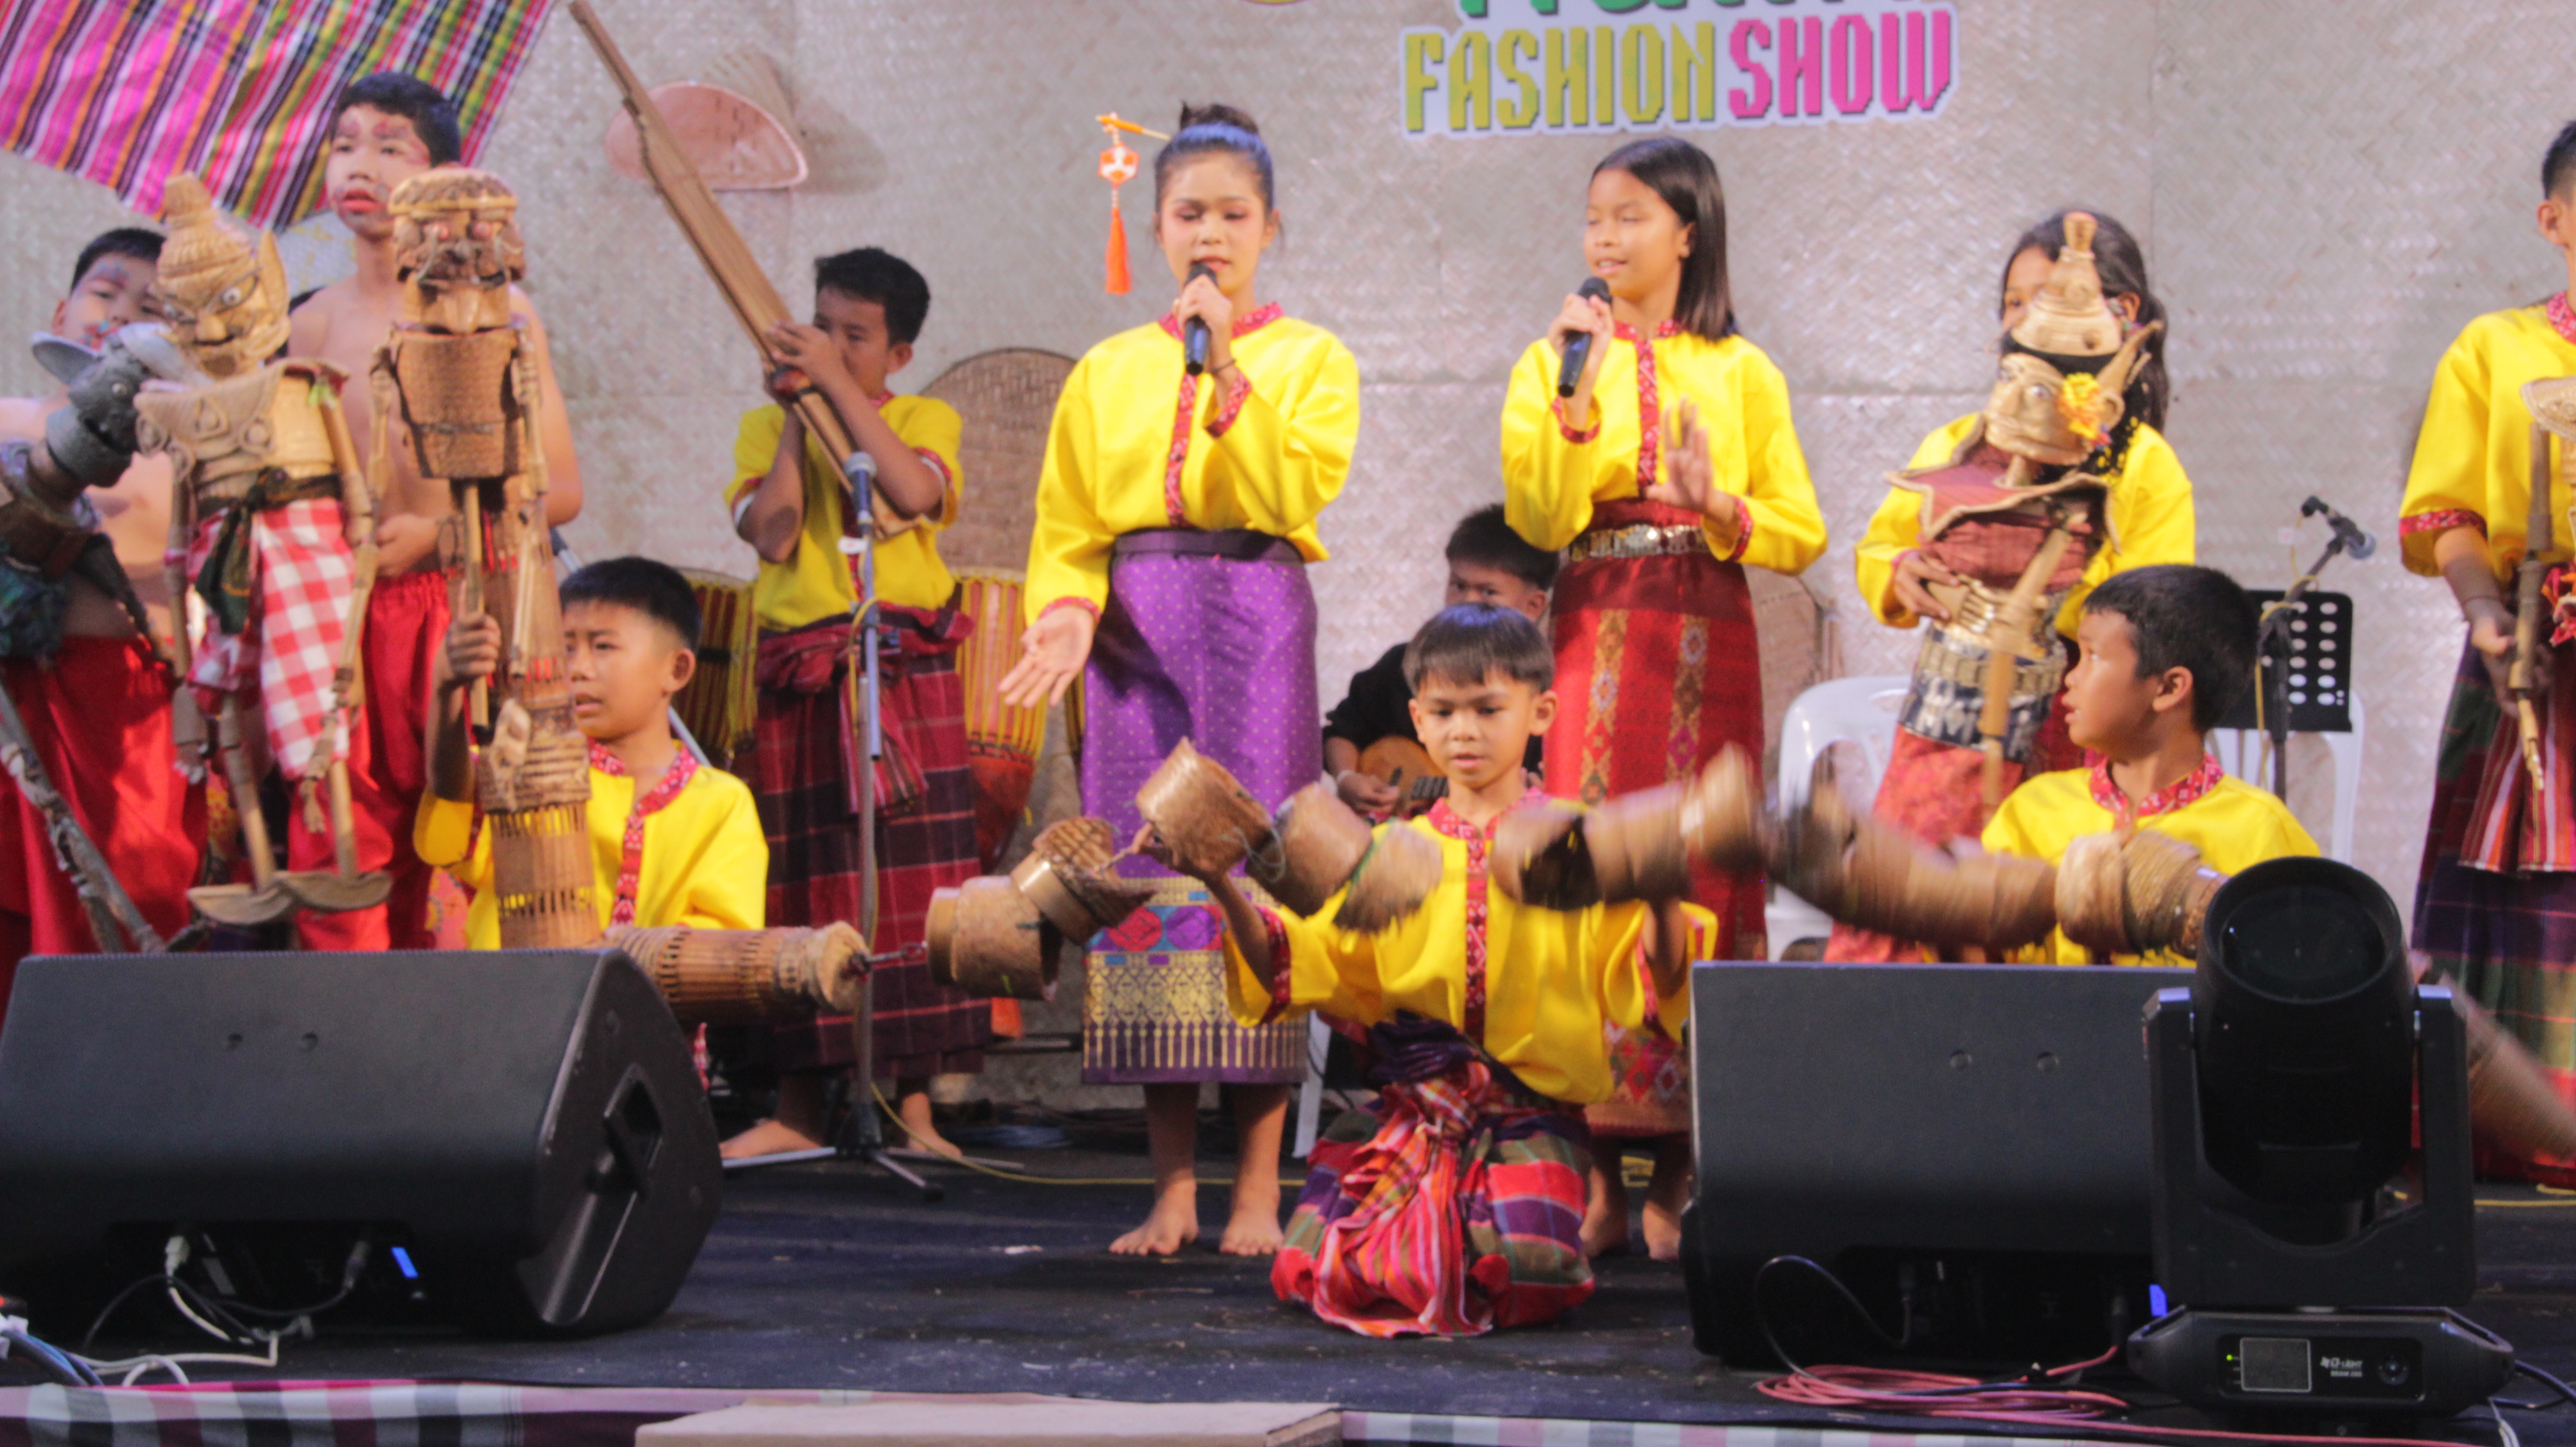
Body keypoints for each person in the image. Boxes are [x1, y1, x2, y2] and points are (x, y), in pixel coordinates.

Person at [1000, 102, 1360, 1257]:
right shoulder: (1107, 371)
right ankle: (1170, 1189)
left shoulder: (1311, 359)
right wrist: (1066, 613)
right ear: (1154, 227)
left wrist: (1231, 376)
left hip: (1256, 608)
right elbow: (1068, 523)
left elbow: (1292, 492)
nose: (1210, 233)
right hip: (1134, 628)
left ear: (1270, 228)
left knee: (1254, 873)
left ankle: (1256, 1189)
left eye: (1233, 215)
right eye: (1189, 212)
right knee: (1150, 878)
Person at [1184, 604, 1700, 1336]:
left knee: (1524, 1273)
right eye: (1445, 711)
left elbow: (1659, 977)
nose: (1465, 730)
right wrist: (1217, 881)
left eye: (1488, 709)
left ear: (1541, 713)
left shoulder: (1580, 845)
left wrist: (1660, 892)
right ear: (1418, 722)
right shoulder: (1387, 853)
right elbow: (1292, 960)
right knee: (1322, 1271)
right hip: (1414, 1112)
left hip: (1526, 1114)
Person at [1500, 135, 1824, 1253]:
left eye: (1630, 216)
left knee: (1696, 873)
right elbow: (1538, 517)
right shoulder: (1553, 360)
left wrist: (1718, 502)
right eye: (1594, 217)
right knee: (1589, 870)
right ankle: (1595, 1175)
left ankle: (1678, 1173)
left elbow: (1800, 528)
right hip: (1593, 622)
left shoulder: (1743, 372)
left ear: (1688, 231)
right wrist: (1574, 405)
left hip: (1705, 625)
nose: (1604, 237)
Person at [1831, 210, 2191, 964]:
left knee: (2045, 930)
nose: (2022, 321)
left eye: (2041, 301)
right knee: (1911, 917)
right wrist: (1904, 574)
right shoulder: (1959, 444)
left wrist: (2049, 583)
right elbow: (1881, 545)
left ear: (2119, 316)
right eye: (2012, 303)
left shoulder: (2144, 464)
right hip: (1946, 731)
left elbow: (2157, 610)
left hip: (2076, 731)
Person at [288, 72, 582, 951]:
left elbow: (562, 491)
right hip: (347, 618)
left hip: (471, 604)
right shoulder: (312, 325)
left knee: (471, 839)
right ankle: (348, 1028)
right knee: (341, 847)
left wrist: (439, 536)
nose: (360, 165)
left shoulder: (499, 313)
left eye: (390, 147)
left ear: (444, 179)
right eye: (345, 143)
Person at [719, 246, 985, 1162]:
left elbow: (911, 496)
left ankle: (915, 1110)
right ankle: (798, 1107)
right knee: (808, 882)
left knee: (911, 890)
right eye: (821, 326)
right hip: (806, 670)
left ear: (898, 354)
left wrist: (836, 388)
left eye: (855, 337)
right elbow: (773, 534)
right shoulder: (764, 428)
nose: (832, 345)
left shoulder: (923, 417)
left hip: (900, 667)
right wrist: (800, 418)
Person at [2404, 119, 2576, 1185]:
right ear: (2553, 221)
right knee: (2519, 895)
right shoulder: (2495, 348)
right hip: (2528, 652)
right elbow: (2446, 514)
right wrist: (2483, 611)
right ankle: (2514, 1130)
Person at [0, 228, 200, 1015]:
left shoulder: (184, 459)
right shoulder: (9, 419)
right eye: (105, 293)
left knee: (128, 899)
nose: (118, 317)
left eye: (149, 310)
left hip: (128, 716)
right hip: (12, 702)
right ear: (62, 309)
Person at [416, 557, 764, 946]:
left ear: (677, 670)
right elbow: (453, 790)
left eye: (603, 646)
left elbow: (722, 940)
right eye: (566, 649)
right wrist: (446, 690)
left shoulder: (722, 804)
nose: (578, 668)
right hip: (515, 984)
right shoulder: (530, 766)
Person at [1982, 566, 2315, 966]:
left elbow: (2293, 967)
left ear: (2169, 688)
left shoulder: (2261, 829)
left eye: (2093, 656)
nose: (2071, 677)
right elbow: (1983, 966)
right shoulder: (2035, 809)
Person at [1324, 503, 1554, 816]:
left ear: (1533, 606)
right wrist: (1347, 779)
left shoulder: (1538, 682)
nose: (1467, 602)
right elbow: (1343, 729)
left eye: (1488, 592)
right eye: (1458, 586)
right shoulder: (1403, 664)